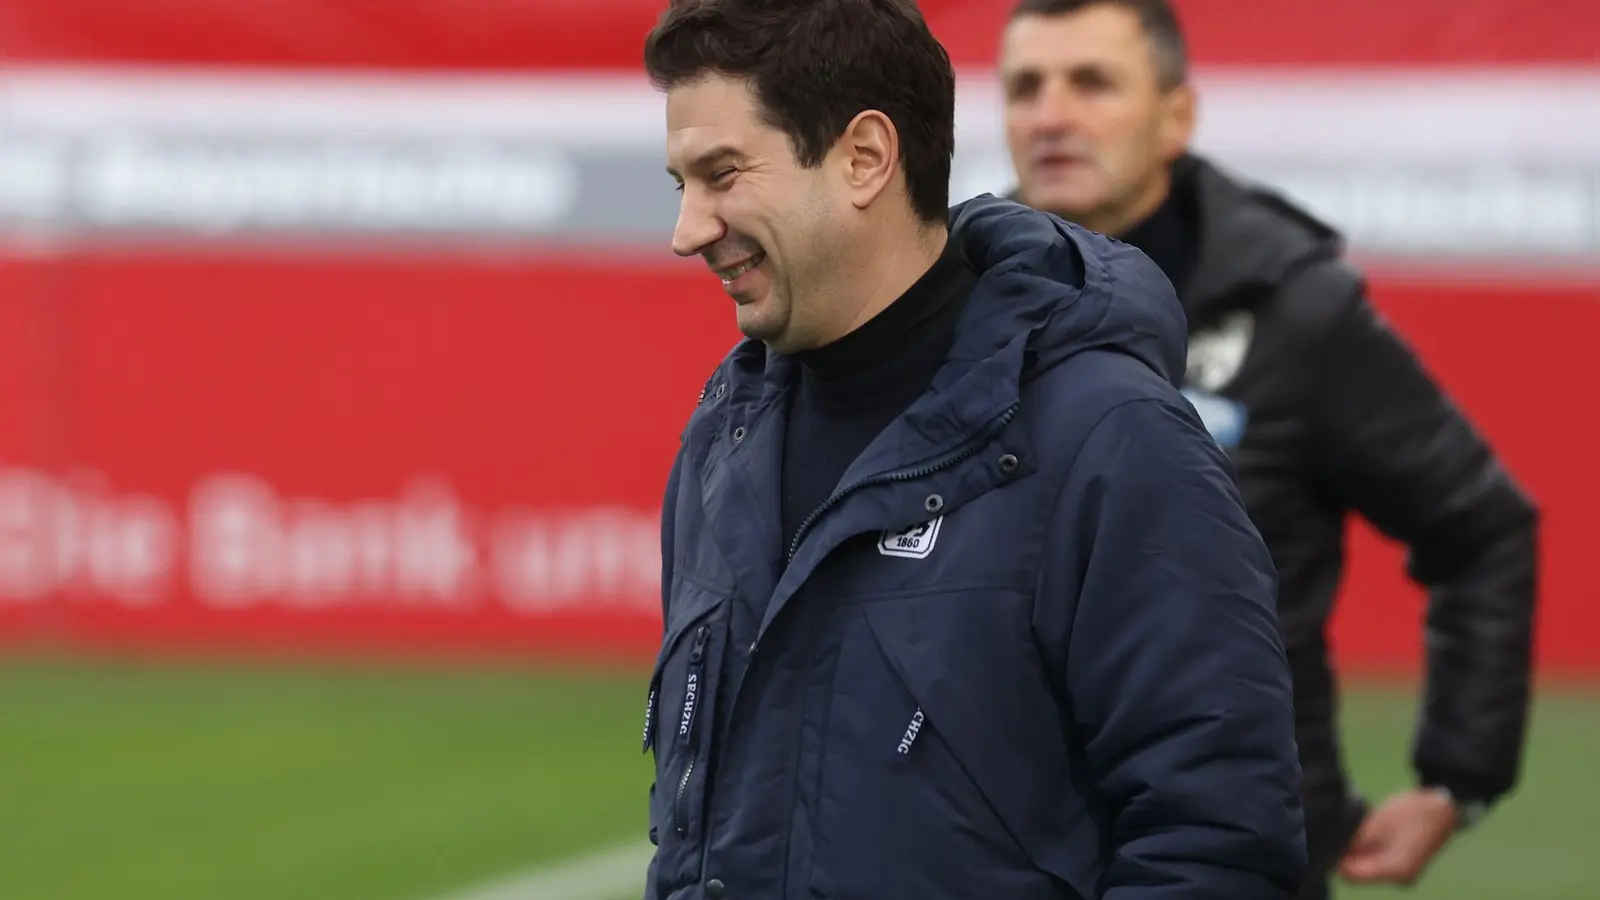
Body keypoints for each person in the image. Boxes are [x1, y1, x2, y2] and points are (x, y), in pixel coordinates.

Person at [639, 1, 1307, 898]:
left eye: (723, 174)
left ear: (865, 157)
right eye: (683, 185)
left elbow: (1217, 845)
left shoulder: (1112, 440)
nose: (690, 231)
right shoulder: (724, 439)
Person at [997, 2, 1541, 898]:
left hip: (1239, 852)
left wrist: (1459, 777)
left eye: (1092, 83)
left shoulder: (1297, 308)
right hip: (998, 849)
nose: (1052, 115)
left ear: (1177, 115)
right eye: (1026, 87)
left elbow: (1480, 527)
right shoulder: (948, 299)